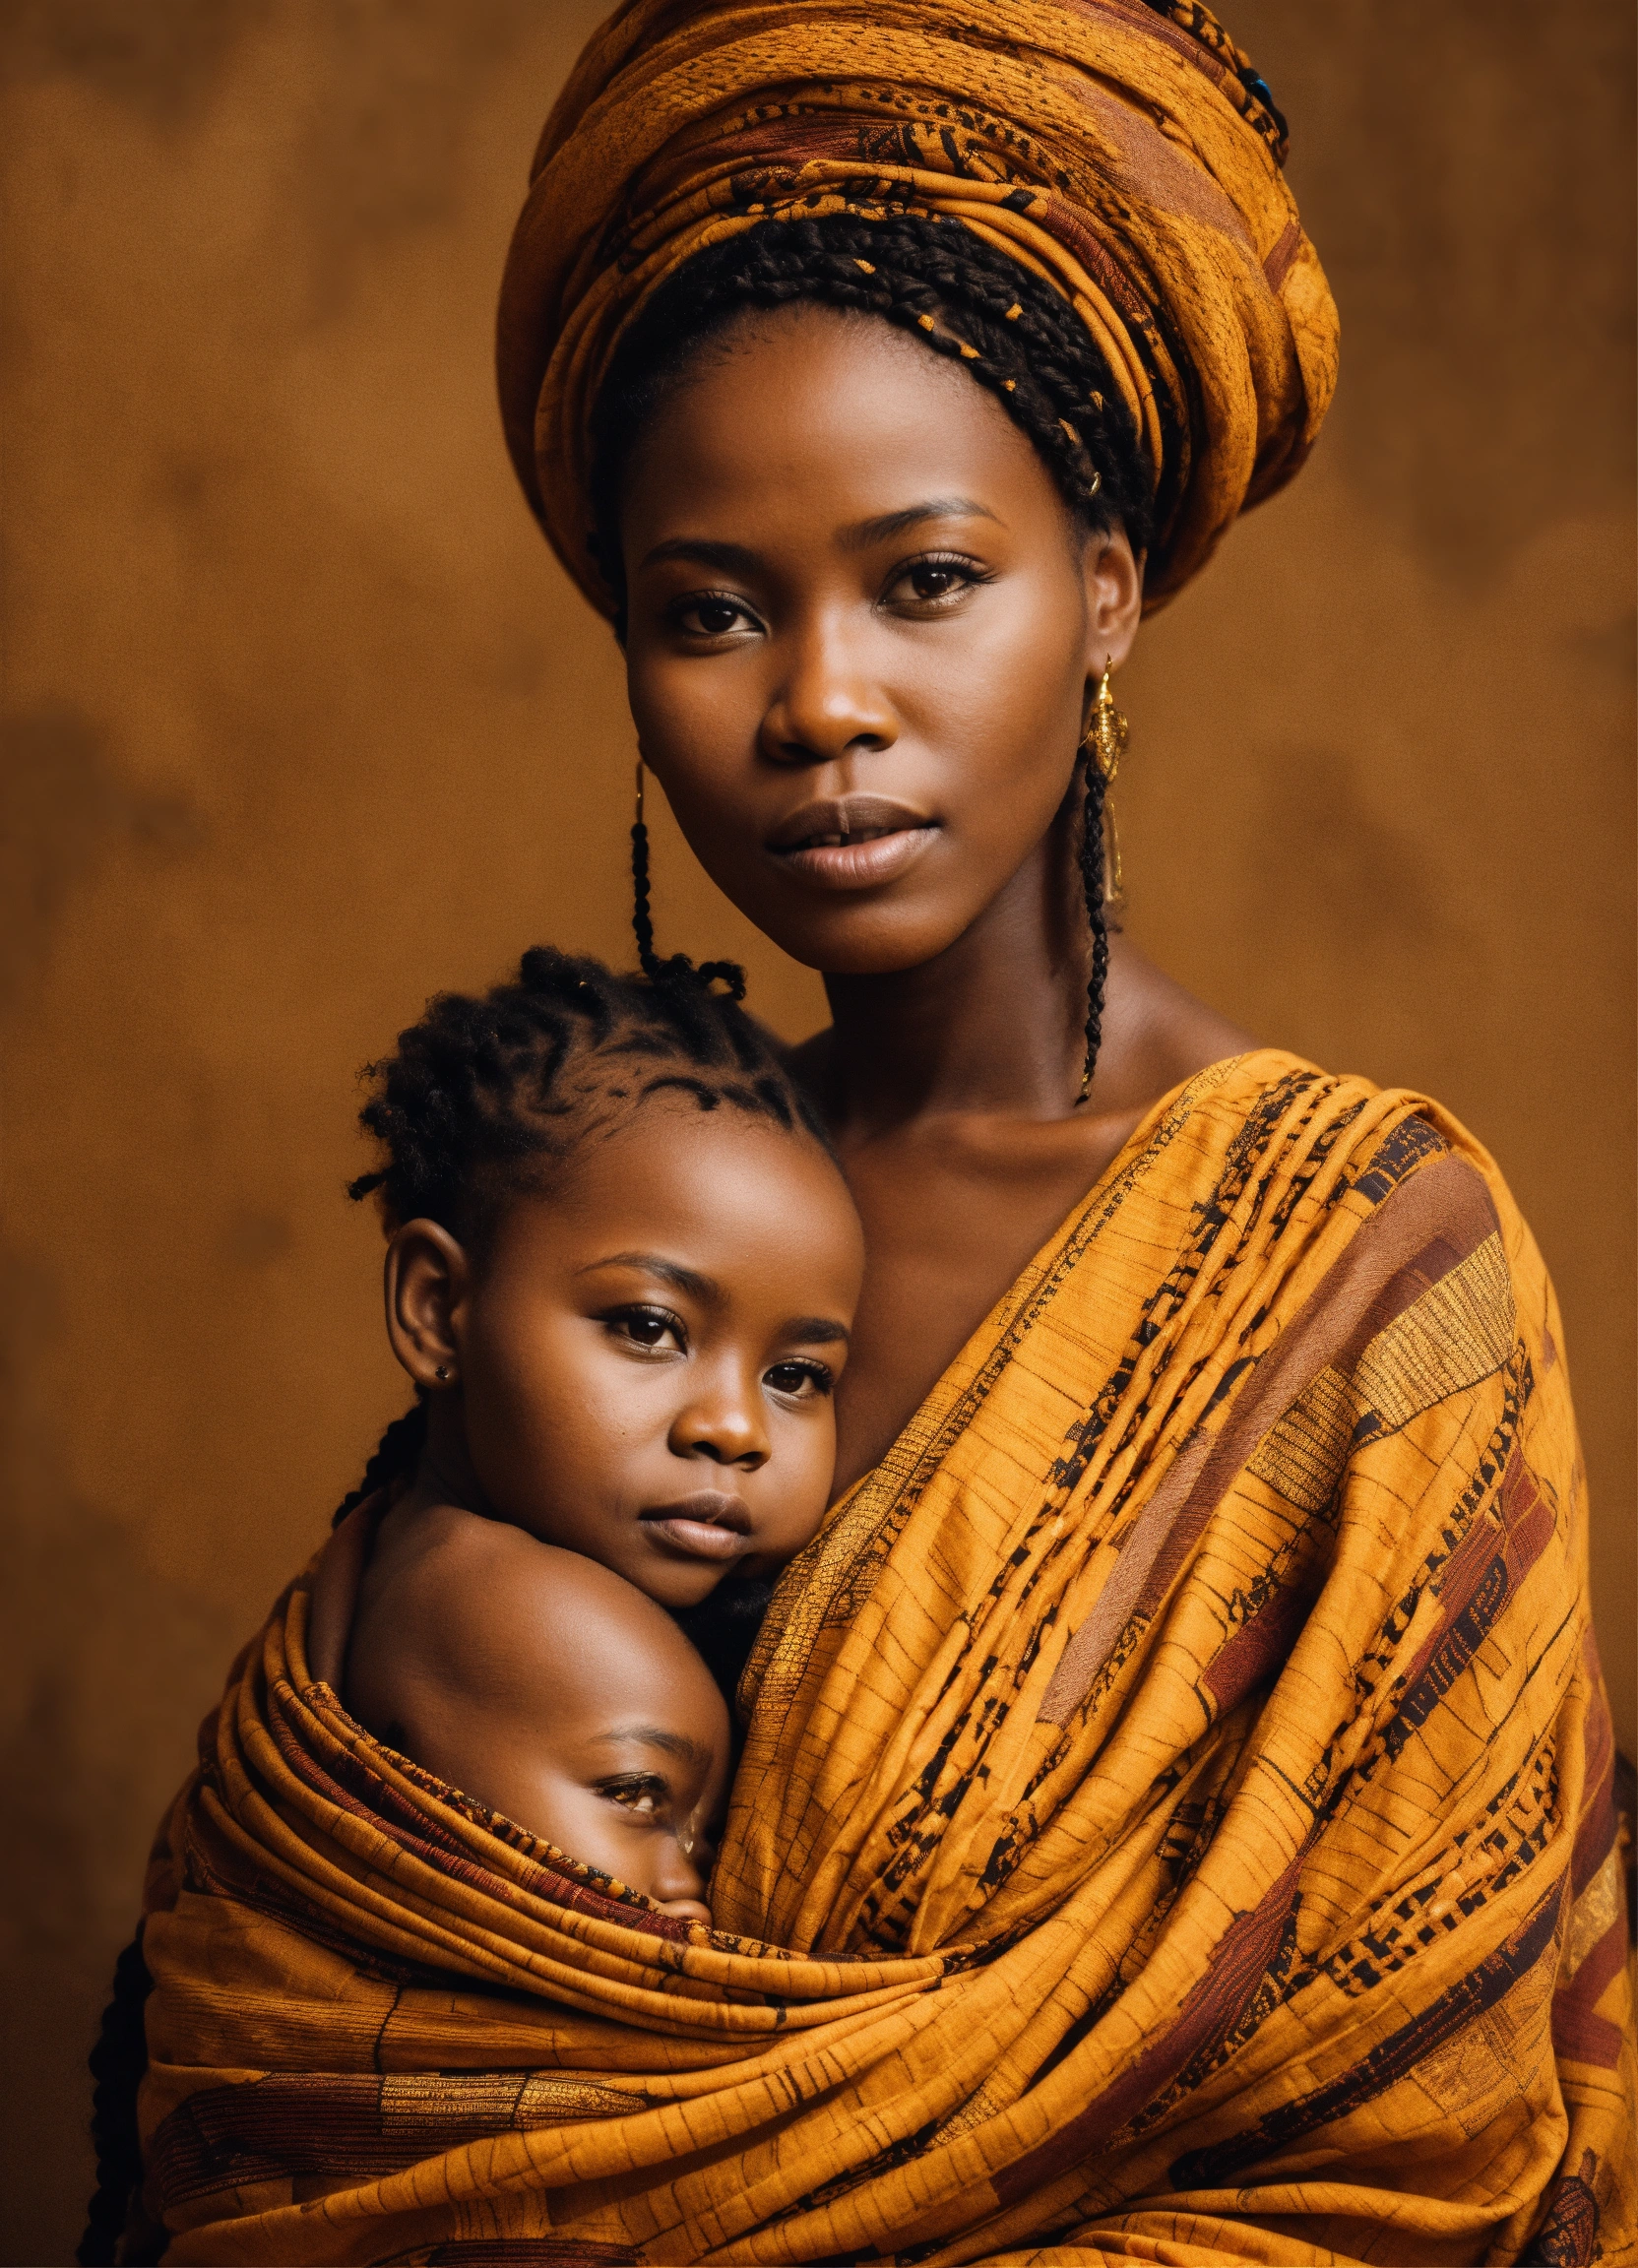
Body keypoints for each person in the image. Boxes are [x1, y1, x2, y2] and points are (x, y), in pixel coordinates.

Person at [94, 4, 1635, 2264]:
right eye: (706, 609)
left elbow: (1431, 2138)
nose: (818, 703)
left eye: (924, 580)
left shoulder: (1380, 1276)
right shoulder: (629, 1220)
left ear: (1099, 593)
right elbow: (313, 1989)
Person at [306, 944, 862, 1917]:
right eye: (647, 1328)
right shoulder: (541, 1624)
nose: (734, 1429)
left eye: (794, 1376)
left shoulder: (405, 1563)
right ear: (437, 1308)